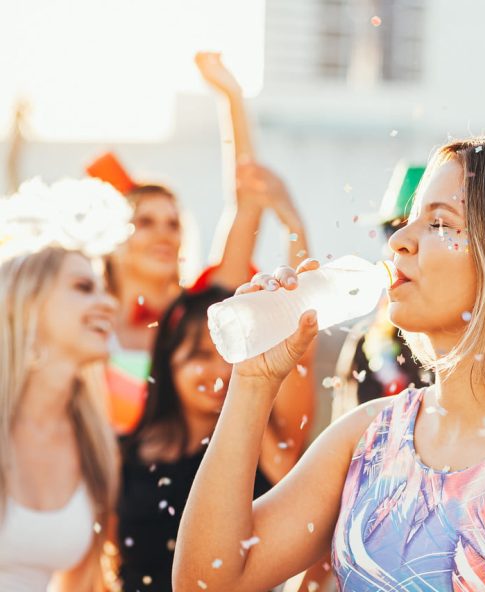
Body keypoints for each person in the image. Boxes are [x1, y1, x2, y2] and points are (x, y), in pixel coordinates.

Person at [173, 3, 485, 590]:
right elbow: (209, 583)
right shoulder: (371, 435)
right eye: (410, 221)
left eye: (440, 224)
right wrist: (254, 381)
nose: (402, 242)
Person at [90, 52, 311, 434]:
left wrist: (231, 97)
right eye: (145, 221)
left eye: (173, 223)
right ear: (113, 236)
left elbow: (247, 201)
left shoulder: (197, 314)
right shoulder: (89, 320)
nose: (164, 233)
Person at [113, 286, 309, 591]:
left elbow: (294, 493)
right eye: (201, 355)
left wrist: (253, 390)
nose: (221, 371)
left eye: (230, 355)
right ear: (170, 360)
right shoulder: (127, 454)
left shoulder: (260, 444)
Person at [0, 246, 119, 591]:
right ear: (26, 304)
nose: (109, 304)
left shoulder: (97, 444)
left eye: (104, 289)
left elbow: (79, 583)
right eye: (83, 287)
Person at [332, 161, 432, 418]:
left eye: (425, 229)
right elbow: (340, 433)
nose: (398, 243)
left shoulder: (463, 345)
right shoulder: (363, 339)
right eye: (391, 229)